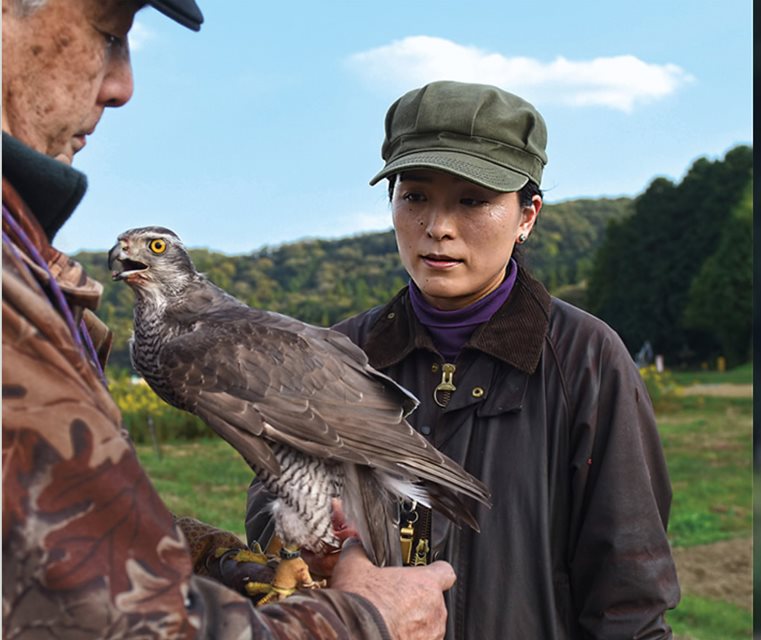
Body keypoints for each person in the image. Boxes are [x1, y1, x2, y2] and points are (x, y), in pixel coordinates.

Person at [2, 0, 456, 637]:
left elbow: (43, 532)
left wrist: (204, 556)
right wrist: (361, 621)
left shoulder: (29, 261)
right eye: (109, 35)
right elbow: (101, 620)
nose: (123, 85)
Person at [248, 80, 681, 639]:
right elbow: (268, 515)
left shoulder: (586, 361)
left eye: (473, 201)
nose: (438, 227)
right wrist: (341, 553)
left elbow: (630, 592)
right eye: (416, 196)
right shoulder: (331, 360)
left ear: (528, 215)